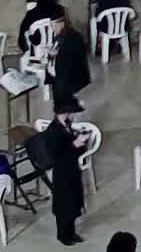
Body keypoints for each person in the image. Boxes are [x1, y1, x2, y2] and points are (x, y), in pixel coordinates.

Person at [35, 95, 89, 245]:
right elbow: (56, 155)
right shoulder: (53, 131)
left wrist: (79, 143)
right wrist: (74, 144)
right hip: (62, 173)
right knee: (65, 205)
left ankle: (71, 232)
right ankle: (63, 235)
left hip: (72, 170)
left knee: (73, 203)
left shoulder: (66, 126)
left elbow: (71, 148)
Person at [51, 12, 91, 100]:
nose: (52, 28)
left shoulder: (64, 38)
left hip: (71, 81)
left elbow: (62, 61)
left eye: (53, 25)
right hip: (82, 77)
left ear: (61, 24)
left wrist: (51, 55)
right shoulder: (73, 33)